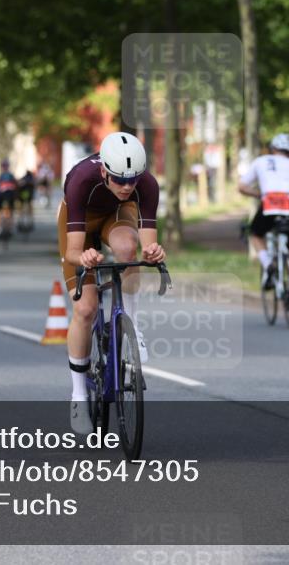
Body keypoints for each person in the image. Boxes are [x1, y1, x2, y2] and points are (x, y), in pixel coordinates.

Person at [57, 131, 165, 435]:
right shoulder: (81, 180)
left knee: (128, 249)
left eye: (133, 180)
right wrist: (84, 256)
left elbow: (148, 246)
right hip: (80, 223)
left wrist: (154, 253)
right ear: (104, 171)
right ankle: (79, 394)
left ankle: (132, 325)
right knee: (85, 308)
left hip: (116, 216)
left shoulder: (146, 186)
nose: (127, 186)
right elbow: (73, 251)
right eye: (119, 179)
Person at [238, 133, 289, 288]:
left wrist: (258, 194)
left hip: (271, 201)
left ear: (273, 148)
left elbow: (242, 186)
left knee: (255, 234)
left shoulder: (261, 161)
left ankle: (268, 264)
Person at [0, 159, 17, 237]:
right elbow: (16, 186)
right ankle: (11, 227)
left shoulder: (0, 176)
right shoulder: (11, 176)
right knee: (11, 211)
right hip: (10, 195)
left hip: (1, 195)